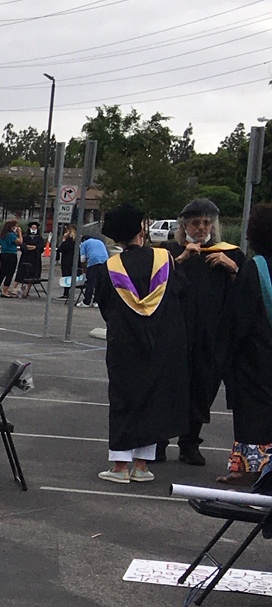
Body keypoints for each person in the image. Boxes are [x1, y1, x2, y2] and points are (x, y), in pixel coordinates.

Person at [90, 205, 188, 484]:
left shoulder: (112, 267)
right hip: (162, 343)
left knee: (123, 399)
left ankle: (120, 466)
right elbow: (182, 291)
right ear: (141, 230)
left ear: (117, 239)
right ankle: (142, 465)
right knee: (152, 400)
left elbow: (106, 306)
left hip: (125, 344)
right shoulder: (165, 259)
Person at [164, 197, 240, 466]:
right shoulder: (169, 252)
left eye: (207, 222)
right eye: (195, 222)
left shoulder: (228, 253)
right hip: (175, 334)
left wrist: (233, 269)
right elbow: (156, 286)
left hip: (210, 336)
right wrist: (181, 259)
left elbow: (245, 293)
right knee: (169, 388)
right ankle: (159, 442)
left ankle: (189, 444)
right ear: (184, 225)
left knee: (201, 391)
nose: (201, 227)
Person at [223, 204, 272, 482]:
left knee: (253, 413)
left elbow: (237, 319)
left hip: (256, 354)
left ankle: (250, 467)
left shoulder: (255, 268)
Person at [0, 220, 20, 297]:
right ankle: (4, 291)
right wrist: (20, 233)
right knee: (10, 273)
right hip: (11, 254)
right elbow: (20, 242)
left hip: (3, 253)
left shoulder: (3, 235)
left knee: (2, 272)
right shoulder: (11, 235)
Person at [18, 221, 46, 294]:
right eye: (32, 227)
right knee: (22, 272)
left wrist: (34, 247)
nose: (34, 229)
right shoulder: (25, 237)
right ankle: (19, 288)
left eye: (35, 228)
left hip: (35, 258)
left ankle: (28, 290)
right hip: (25, 257)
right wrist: (28, 247)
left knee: (32, 274)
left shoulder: (39, 238)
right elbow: (23, 246)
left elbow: (40, 248)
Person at [57, 223, 79, 299]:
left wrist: (63, 239)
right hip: (74, 260)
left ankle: (66, 293)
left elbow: (61, 249)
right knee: (71, 276)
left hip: (67, 260)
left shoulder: (68, 240)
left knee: (66, 276)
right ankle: (69, 292)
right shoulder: (77, 240)